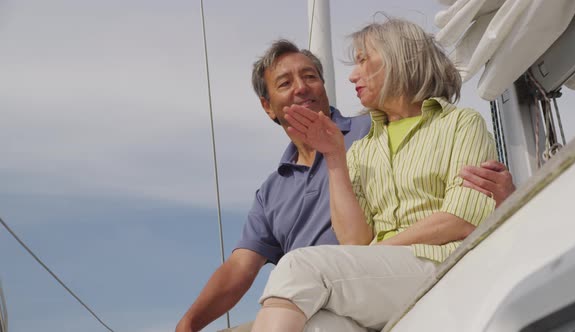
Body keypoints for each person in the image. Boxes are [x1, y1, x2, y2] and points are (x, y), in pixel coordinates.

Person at [176, 39, 513, 332]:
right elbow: (239, 267)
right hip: (311, 305)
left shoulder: (373, 130)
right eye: (285, 82)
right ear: (268, 107)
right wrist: (189, 322)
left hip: (372, 277)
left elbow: (458, 192)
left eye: (310, 77)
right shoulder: (270, 192)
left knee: (298, 268)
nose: (302, 87)